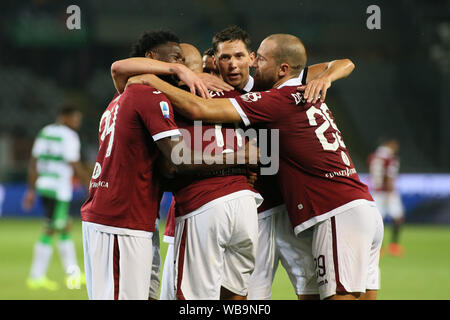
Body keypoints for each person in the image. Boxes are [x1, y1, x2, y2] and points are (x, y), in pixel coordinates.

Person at [129, 33, 384, 300]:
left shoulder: (270, 91)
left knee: (308, 290)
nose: (233, 64)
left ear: (251, 59)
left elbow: (344, 62)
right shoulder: (211, 86)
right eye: (224, 58)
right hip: (262, 209)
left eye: (241, 56)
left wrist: (326, 78)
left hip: (288, 209)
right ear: (214, 62)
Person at [83, 30, 254, 300]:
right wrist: (240, 158)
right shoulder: (148, 93)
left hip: (135, 213)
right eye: (175, 59)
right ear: (151, 58)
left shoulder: (130, 92)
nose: (180, 68)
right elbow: (176, 160)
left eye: (183, 62)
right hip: (120, 216)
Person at [22, 104, 90, 291]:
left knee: (63, 228)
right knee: (50, 229)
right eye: (75, 118)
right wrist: (89, 185)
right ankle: (36, 276)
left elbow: (34, 161)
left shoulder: (45, 132)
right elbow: (74, 163)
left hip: (44, 186)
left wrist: (30, 190)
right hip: (59, 189)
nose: (77, 122)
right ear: (65, 117)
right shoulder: (69, 136)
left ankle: (73, 273)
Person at [368, 138, 404, 256]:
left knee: (378, 220)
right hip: (386, 191)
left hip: (375, 191)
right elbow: (389, 176)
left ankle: (378, 248)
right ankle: (394, 246)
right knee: (398, 217)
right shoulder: (390, 158)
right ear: (389, 144)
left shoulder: (373, 156)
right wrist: (390, 193)